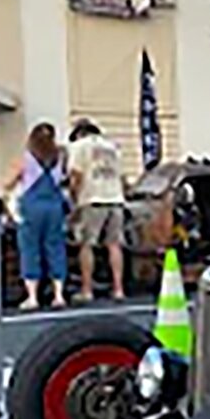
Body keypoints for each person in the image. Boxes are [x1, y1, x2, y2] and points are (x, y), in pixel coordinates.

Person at [5, 123, 68, 310]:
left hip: (32, 207)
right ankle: (59, 295)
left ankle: (32, 297)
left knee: (30, 249)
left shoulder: (27, 158)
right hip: (54, 206)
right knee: (56, 247)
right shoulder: (59, 158)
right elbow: (68, 178)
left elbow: (9, 182)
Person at [68, 119, 126, 302]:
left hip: (92, 199)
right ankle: (118, 288)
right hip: (116, 198)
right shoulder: (112, 147)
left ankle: (87, 289)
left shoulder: (79, 146)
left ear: (78, 133)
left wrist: (74, 199)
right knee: (114, 245)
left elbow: (76, 175)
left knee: (87, 244)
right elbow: (123, 177)